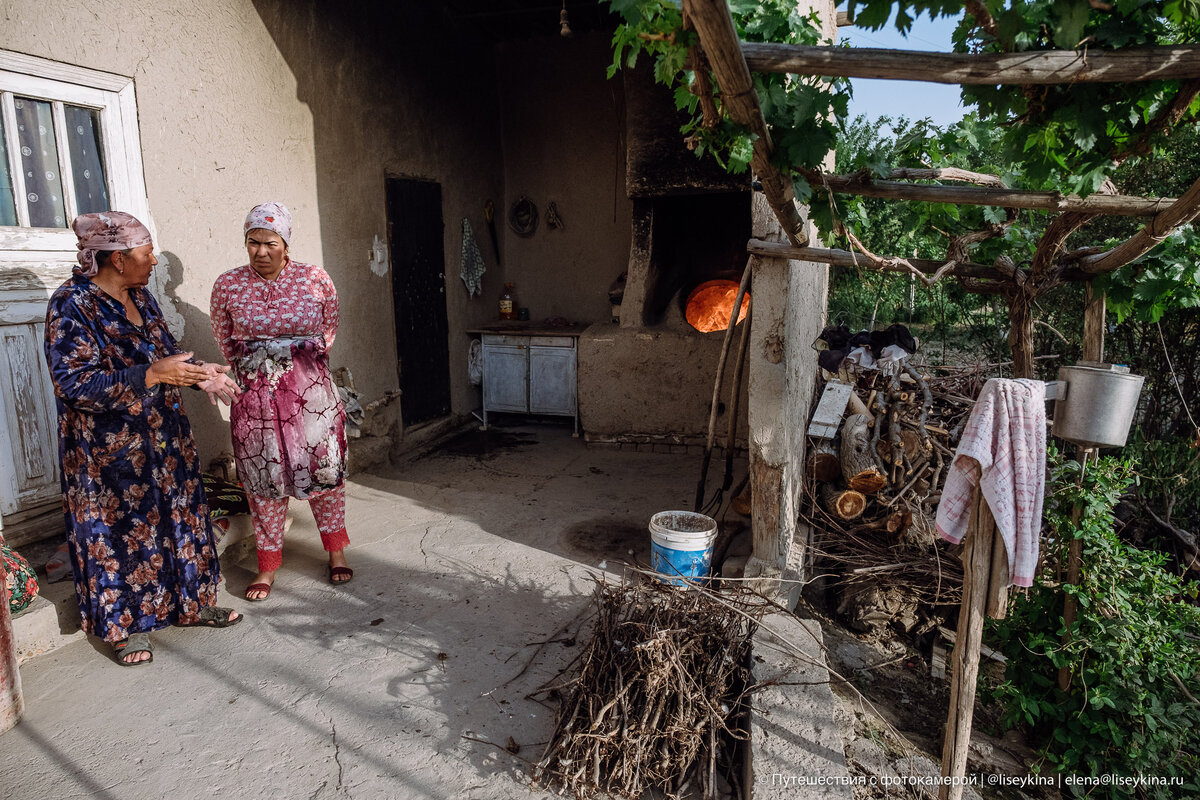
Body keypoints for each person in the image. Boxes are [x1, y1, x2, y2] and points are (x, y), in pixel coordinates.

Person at [44, 212, 244, 665]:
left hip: (164, 437)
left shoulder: (142, 296)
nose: (154, 260)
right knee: (118, 534)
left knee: (180, 517)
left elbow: (165, 359)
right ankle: (125, 629)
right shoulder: (71, 304)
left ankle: (192, 604)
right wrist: (151, 373)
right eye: (146, 252)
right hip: (108, 451)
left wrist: (197, 376)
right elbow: (73, 384)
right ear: (117, 258)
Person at [210, 203, 352, 601]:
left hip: (311, 394)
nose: (260, 251)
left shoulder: (315, 278)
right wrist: (260, 367)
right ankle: (268, 566)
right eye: (252, 242)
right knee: (262, 479)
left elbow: (328, 329)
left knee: (324, 469)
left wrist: (295, 365)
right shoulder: (228, 284)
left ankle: (336, 552)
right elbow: (225, 338)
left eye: (269, 243)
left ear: (285, 244)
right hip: (255, 398)